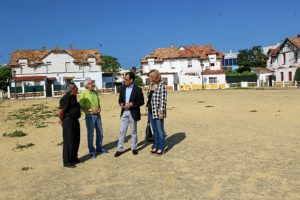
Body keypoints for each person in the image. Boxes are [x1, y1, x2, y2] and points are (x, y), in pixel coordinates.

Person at [114, 72, 144, 157]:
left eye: (126, 79)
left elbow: (141, 101)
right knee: (122, 131)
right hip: (124, 112)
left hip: (133, 112)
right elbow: (120, 100)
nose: (124, 81)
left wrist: (132, 104)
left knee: (133, 131)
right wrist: (121, 104)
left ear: (131, 80)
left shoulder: (138, 89)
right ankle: (119, 149)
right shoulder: (122, 88)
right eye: (124, 79)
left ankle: (134, 148)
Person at [80, 78, 106, 158]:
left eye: (93, 83)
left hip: (97, 115)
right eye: (91, 83)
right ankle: (91, 151)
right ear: (87, 85)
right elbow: (81, 106)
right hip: (89, 116)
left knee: (100, 132)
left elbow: (98, 102)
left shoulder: (95, 92)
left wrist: (99, 108)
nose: (93, 84)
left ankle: (99, 147)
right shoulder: (83, 93)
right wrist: (91, 110)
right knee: (90, 134)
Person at [58, 83, 81, 168]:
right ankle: (67, 161)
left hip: (75, 120)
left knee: (76, 140)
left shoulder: (73, 96)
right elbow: (60, 111)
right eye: (76, 88)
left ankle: (74, 158)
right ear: (72, 89)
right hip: (68, 121)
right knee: (69, 141)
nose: (78, 89)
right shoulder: (66, 97)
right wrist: (61, 120)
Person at [147, 69, 167, 155]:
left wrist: (161, 112)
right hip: (151, 111)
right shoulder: (151, 85)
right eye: (149, 77)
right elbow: (149, 98)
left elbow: (163, 100)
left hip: (158, 111)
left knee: (160, 130)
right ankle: (155, 145)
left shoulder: (162, 86)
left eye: (151, 77)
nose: (149, 78)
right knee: (154, 130)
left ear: (156, 77)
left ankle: (161, 147)